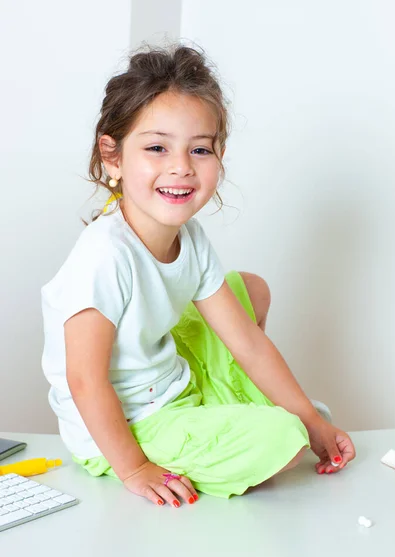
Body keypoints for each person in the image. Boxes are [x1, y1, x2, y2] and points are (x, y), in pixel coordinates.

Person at [41, 43, 355, 508]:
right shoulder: (104, 256)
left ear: (219, 154)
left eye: (200, 149)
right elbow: (85, 379)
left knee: (250, 291)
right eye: (156, 147)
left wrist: (313, 420)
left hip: (171, 380)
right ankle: (228, 429)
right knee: (282, 439)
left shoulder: (191, 237)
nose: (181, 167)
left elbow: (247, 341)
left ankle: (246, 416)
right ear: (112, 156)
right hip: (124, 422)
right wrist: (134, 467)